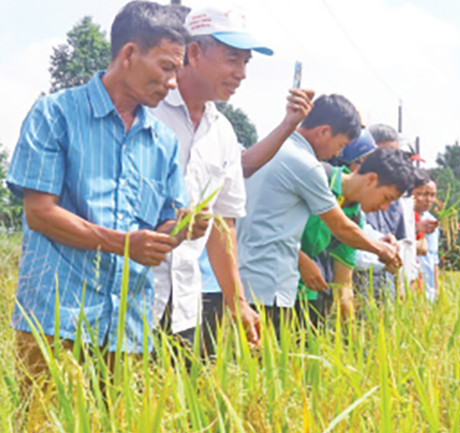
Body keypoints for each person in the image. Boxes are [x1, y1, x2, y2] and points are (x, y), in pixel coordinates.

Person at [6, 1, 208, 389]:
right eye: (166, 67)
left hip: (127, 328)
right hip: (55, 319)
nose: (172, 83)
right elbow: (40, 213)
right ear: (129, 54)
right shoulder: (55, 114)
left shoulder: (162, 141)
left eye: (177, 72)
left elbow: (160, 229)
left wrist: (183, 227)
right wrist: (124, 244)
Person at [150, 6, 314, 353]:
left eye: (245, 64)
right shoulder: (148, 111)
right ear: (194, 53)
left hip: (186, 304)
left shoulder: (221, 132)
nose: (240, 74)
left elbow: (224, 224)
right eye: (232, 60)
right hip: (131, 296)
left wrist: (237, 300)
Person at [236, 95, 401, 339]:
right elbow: (340, 227)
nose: (339, 152)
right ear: (324, 132)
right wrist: (381, 250)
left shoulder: (274, 148)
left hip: (248, 278)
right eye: (341, 144)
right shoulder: (305, 164)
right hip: (268, 283)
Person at [297, 144, 414, 324]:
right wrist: (300, 259)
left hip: (304, 298)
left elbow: (343, 286)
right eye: (387, 198)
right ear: (371, 179)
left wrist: (352, 339)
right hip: (261, 288)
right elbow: (263, 226)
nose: (384, 208)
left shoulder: (354, 216)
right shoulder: (317, 177)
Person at [353, 123, 416, 298]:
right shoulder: (350, 192)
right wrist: (380, 250)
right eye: (385, 153)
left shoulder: (396, 200)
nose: (392, 160)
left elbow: (399, 245)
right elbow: (346, 237)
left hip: (385, 279)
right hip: (356, 278)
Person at [412, 174, 440, 301]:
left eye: (432, 195)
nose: (428, 199)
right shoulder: (403, 217)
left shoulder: (432, 222)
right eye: (423, 194)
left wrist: (436, 289)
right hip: (410, 287)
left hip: (428, 292)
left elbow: (433, 260)